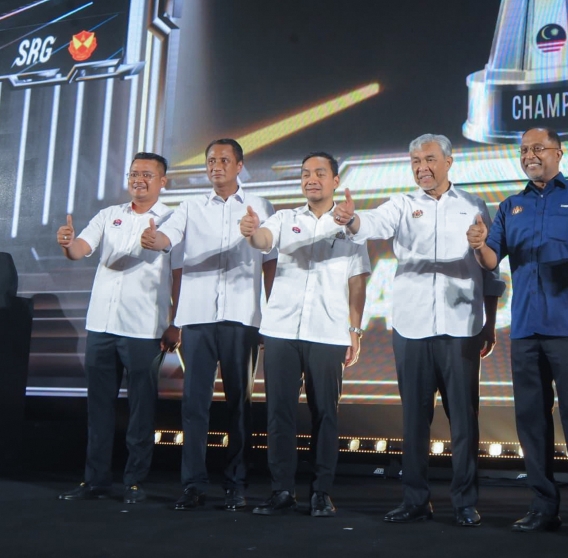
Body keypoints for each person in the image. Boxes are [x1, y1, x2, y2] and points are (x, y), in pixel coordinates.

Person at [332, 133, 506, 527]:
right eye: (415, 161)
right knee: (414, 419)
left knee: (464, 419)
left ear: (448, 161)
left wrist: (490, 324)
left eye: (429, 159)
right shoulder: (402, 204)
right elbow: (372, 223)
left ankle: (464, 502)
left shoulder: (474, 205)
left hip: (462, 325)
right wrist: (352, 219)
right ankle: (415, 499)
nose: (421, 168)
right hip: (411, 327)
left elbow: (491, 269)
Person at [467, 127, 568, 538]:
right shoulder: (510, 206)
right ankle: (543, 505)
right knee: (531, 420)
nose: (530, 155)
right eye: (524, 150)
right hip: (527, 328)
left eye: (538, 148)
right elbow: (491, 258)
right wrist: (479, 244)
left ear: (559, 152)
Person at [142, 138, 277, 512]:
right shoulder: (190, 207)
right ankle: (193, 484)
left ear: (239, 165)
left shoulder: (260, 206)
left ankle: (236, 483)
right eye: (210, 161)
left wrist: (272, 314)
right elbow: (168, 238)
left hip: (242, 319)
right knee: (194, 405)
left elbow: (270, 260)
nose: (215, 166)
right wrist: (155, 239)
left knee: (239, 404)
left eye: (223, 160)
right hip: (198, 319)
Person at [240, 152, 369, 518]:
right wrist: (252, 233)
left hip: (328, 331)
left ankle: (320, 492)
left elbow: (357, 281)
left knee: (325, 413)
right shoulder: (285, 218)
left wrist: (355, 330)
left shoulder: (350, 226)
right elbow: (264, 240)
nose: (311, 179)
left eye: (319, 173)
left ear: (335, 180)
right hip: (282, 328)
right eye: (305, 174)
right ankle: (281, 490)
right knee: (279, 413)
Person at [56, 152, 180, 504]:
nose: (138, 179)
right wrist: (67, 244)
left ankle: (135, 482)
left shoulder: (172, 219)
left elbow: (178, 274)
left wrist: (176, 322)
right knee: (99, 406)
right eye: (133, 173)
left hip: (144, 328)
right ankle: (95, 480)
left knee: (141, 409)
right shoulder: (109, 215)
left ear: (162, 181)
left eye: (147, 174)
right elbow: (81, 249)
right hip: (101, 324)